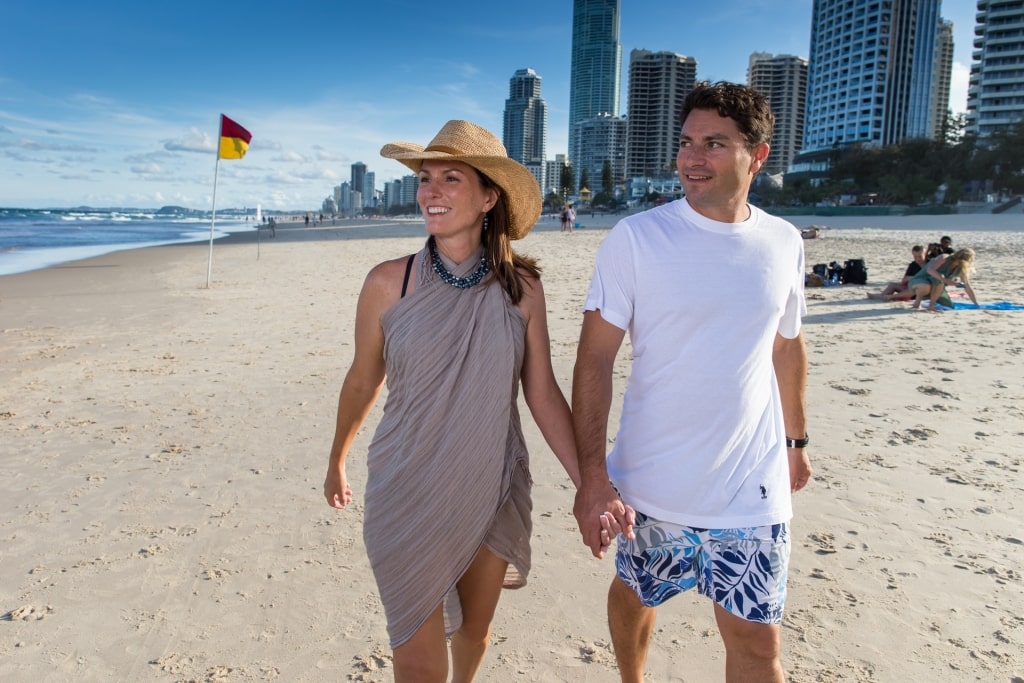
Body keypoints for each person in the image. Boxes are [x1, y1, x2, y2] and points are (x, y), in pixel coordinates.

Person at [322, 120, 585, 682]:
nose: (430, 191)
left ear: (490, 196)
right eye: (425, 178)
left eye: (450, 178)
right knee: (416, 656)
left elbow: (541, 392)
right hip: (405, 485)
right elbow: (363, 379)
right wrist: (337, 458)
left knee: (472, 633)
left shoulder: (524, 289)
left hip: (489, 482)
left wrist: (590, 481)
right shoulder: (387, 283)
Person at [572, 81, 812, 683]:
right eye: (685, 142)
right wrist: (594, 479)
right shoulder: (637, 238)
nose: (691, 158)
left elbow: (786, 344)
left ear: (757, 156)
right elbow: (594, 360)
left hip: (751, 490)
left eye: (713, 143)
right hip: (652, 488)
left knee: (758, 647)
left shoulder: (783, 241)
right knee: (636, 597)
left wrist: (797, 443)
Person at [908, 247, 979, 312]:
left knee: (948, 306)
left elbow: (967, 286)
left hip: (937, 287)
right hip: (919, 282)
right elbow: (930, 270)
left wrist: (975, 303)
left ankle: (931, 303)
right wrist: (945, 280)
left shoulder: (960, 268)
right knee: (935, 281)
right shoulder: (944, 258)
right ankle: (926, 305)